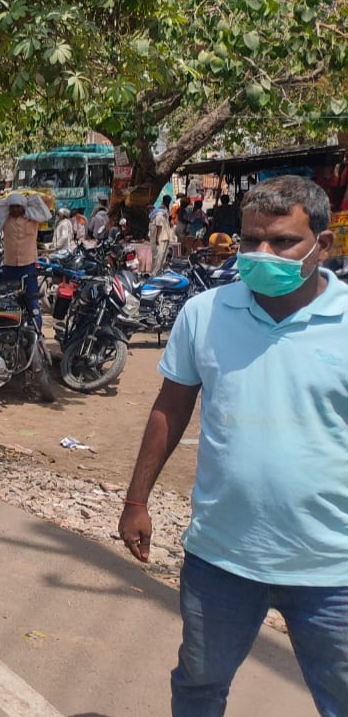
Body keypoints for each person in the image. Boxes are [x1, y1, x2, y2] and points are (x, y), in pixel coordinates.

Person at [118, 175, 348, 717]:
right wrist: (136, 501)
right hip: (221, 557)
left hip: (331, 568)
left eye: (283, 242)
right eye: (250, 241)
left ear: (324, 244)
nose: (262, 253)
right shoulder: (204, 313)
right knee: (198, 685)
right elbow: (170, 409)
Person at [2, 192, 51, 325]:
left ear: (23, 207)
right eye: (12, 206)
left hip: (28, 267)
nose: (15, 209)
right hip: (10, 267)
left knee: (32, 301)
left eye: (18, 206)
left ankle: (36, 333)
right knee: (9, 303)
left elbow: (49, 201)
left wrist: (31, 199)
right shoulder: (4, 220)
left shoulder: (33, 219)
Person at [149, 195, 174, 274]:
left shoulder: (160, 212)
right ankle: (157, 272)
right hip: (162, 237)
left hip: (161, 237)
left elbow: (159, 226)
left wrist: (157, 238)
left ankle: (156, 272)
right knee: (160, 256)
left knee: (160, 257)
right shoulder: (161, 210)